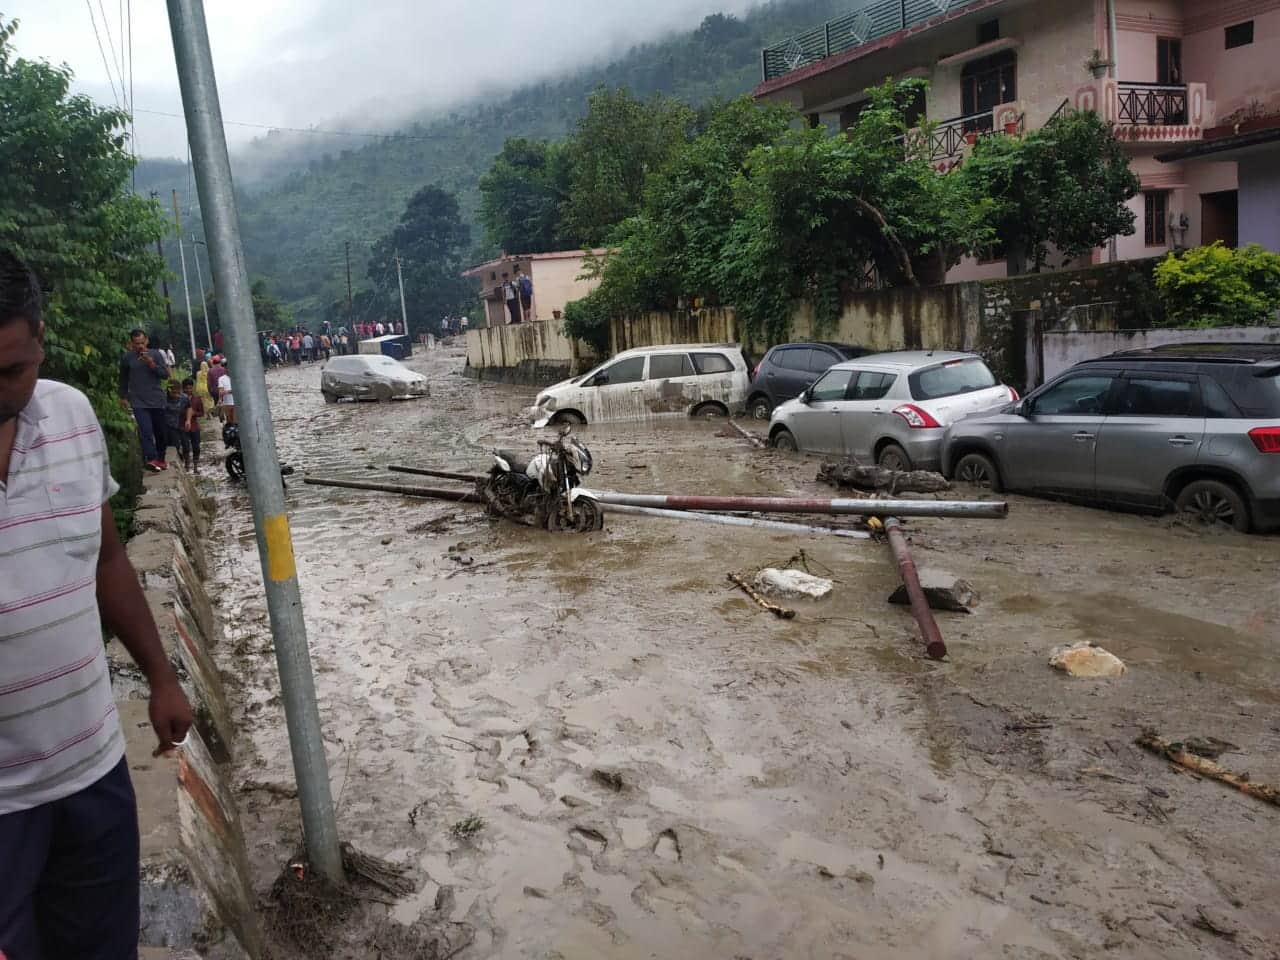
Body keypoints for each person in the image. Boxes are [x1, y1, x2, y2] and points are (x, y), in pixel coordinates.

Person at [0, 250, 194, 960]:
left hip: (94, 772)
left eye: (11, 372)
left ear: (40, 339)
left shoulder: (73, 416)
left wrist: (161, 676)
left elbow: (108, 560)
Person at [118, 328, 170, 473]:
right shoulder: (127, 358)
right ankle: (152, 459)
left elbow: (165, 374)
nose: (140, 346)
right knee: (145, 431)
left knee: (160, 432)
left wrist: (151, 364)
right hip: (138, 401)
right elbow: (123, 379)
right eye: (136, 344)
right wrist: (123, 396)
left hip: (156, 400)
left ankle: (161, 459)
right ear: (131, 344)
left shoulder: (156, 354)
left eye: (142, 342)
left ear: (146, 341)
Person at [181, 378, 203, 471]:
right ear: (183, 388)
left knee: (196, 447)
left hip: (194, 426)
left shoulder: (197, 399)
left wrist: (194, 413)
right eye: (186, 388)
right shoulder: (180, 399)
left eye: (190, 388)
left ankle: (195, 466)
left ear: (192, 388)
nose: (188, 390)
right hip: (183, 426)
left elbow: (201, 413)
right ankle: (187, 465)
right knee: (185, 446)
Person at [162, 381, 186, 468]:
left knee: (176, 445)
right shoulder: (163, 398)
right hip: (164, 425)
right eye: (174, 393)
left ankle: (178, 462)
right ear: (169, 391)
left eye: (178, 393)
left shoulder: (184, 398)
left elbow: (189, 407)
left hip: (176, 425)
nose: (176, 395)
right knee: (166, 444)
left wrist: (188, 420)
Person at [207, 355, 227, 422]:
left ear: (213, 362)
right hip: (223, 390)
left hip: (215, 391)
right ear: (220, 362)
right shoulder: (224, 369)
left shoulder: (210, 371)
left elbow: (209, 383)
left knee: (217, 404)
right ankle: (225, 416)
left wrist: (210, 391)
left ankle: (221, 418)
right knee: (225, 403)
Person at [217, 362, 236, 427]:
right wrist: (220, 400)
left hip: (237, 403)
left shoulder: (237, 377)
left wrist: (227, 391)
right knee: (229, 422)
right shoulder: (221, 379)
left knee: (236, 422)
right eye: (226, 367)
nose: (228, 369)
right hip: (227, 403)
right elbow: (221, 391)